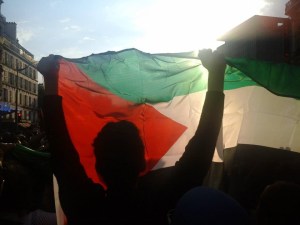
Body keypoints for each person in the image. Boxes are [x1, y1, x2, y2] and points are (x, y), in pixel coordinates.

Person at [38, 49, 226, 225]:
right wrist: (216, 76)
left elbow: (62, 151)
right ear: (142, 161)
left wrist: (51, 79)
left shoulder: (86, 207)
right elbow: (199, 156)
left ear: (98, 165)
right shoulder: (159, 202)